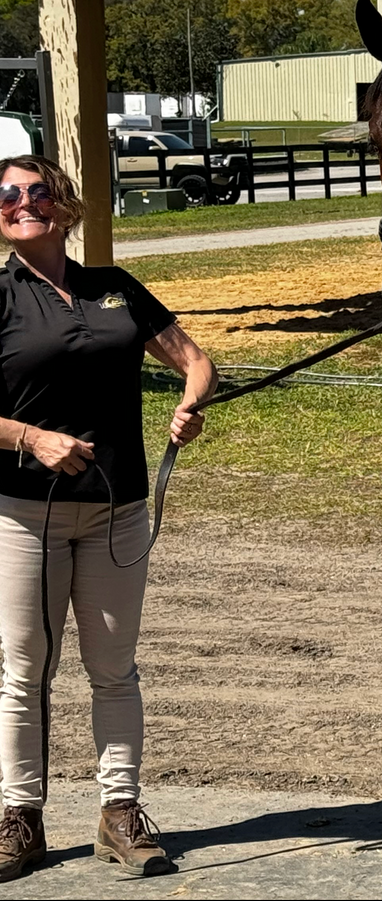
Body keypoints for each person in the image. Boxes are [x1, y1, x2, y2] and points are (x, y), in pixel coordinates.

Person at [0, 154, 215, 880]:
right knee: (25, 672)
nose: (21, 202)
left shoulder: (115, 287)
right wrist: (30, 439)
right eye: (6, 194)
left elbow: (196, 360)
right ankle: (20, 818)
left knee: (114, 670)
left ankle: (120, 812)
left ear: (62, 205)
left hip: (118, 513)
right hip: (24, 515)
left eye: (36, 191)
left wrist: (191, 402)